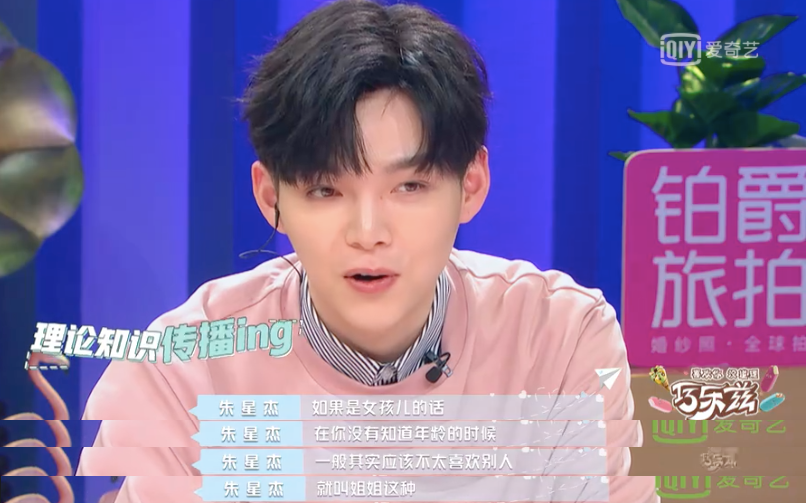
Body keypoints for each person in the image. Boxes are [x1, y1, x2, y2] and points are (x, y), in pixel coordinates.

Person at [77, 0, 656, 501]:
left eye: (410, 187)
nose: (368, 232)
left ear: (472, 185)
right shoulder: (183, 372)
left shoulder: (557, 340)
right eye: (325, 190)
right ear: (270, 197)